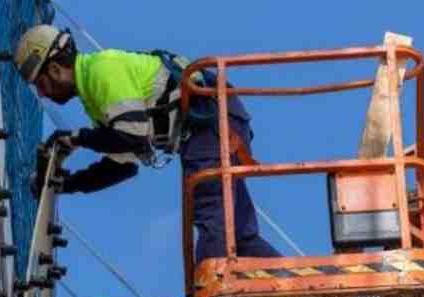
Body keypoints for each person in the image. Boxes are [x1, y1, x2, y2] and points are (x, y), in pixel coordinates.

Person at [14, 25, 280, 263]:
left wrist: (76, 138)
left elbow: (132, 136)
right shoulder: (93, 95)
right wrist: (69, 184)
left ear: (55, 68)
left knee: (211, 210)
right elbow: (123, 165)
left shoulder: (102, 70)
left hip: (211, 124)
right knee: (241, 234)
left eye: (41, 83)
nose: (42, 93)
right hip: (216, 122)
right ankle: (303, 295)